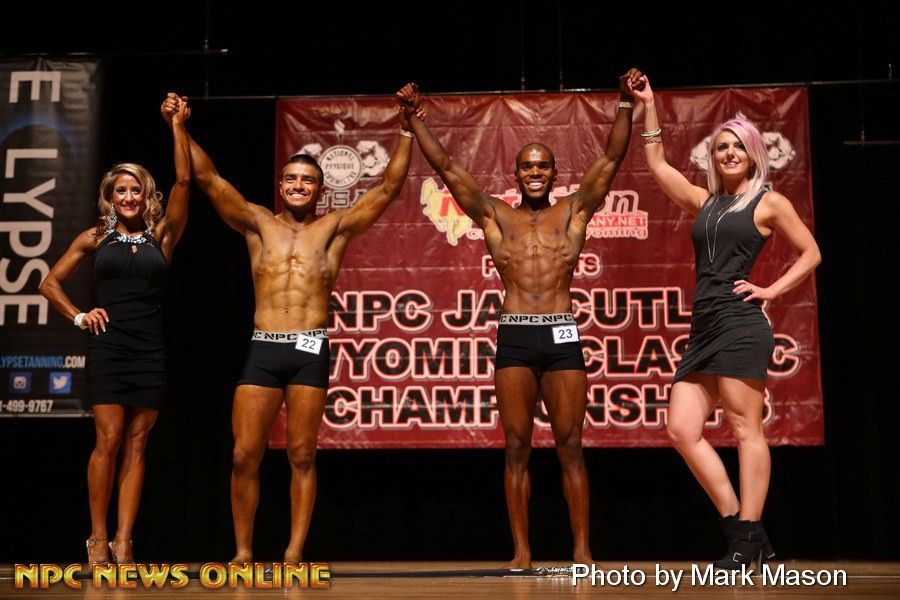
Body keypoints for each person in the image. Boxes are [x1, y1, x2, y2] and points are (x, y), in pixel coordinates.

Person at [397, 69, 643, 569]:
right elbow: (446, 167)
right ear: (516, 174)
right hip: (514, 337)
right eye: (527, 166)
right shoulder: (494, 215)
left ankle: (582, 550)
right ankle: (522, 552)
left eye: (542, 166)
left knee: (570, 445)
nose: (534, 172)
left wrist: (623, 103)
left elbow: (611, 159)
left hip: (561, 334)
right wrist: (415, 117)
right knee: (515, 447)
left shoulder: (574, 211)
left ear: (553, 173)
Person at [169, 91, 417, 563]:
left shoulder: (336, 228)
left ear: (320, 189)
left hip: (309, 349)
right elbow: (208, 178)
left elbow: (389, 188)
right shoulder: (257, 223)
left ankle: (294, 551)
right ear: (280, 184)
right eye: (292, 179)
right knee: (244, 454)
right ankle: (244, 551)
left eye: (308, 180)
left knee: (302, 454)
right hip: (265, 348)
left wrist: (405, 128)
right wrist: (179, 126)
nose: (299, 186)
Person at [631, 76, 821, 569]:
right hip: (704, 328)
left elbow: (811, 252)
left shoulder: (768, 202)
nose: (729, 153)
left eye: (738, 146)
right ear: (713, 158)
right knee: (681, 429)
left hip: (740, 323)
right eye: (721, 147)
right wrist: (649, 105)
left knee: (743, 428)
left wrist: (770, 291)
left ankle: (748, 533)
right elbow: (657, 163)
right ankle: (742, 528)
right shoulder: (704, 202)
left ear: (753, 155)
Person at [39, 94, 192, 565]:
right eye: (121, 190)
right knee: (107, 442)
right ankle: (97, 537)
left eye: (136, 190)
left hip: (149, 351)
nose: (128, 197)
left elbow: (185, 180)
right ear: (110, 196)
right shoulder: (96, 237)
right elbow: (48, 283)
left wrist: (177, 125)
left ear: (147, 196)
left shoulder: (163, 236)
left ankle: (125, 541)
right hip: (109, 348)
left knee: (138, 444)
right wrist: (79, 315)